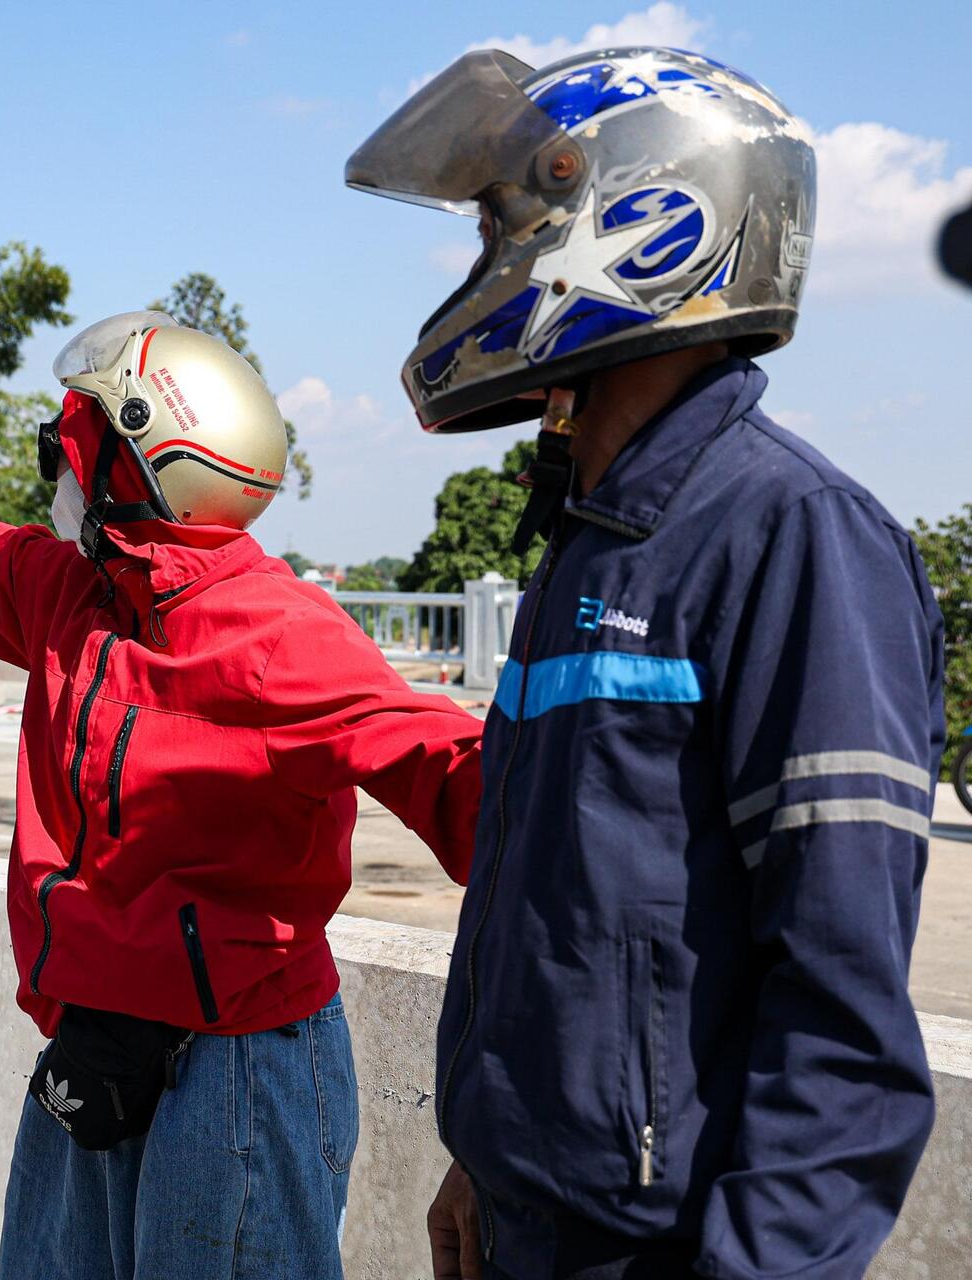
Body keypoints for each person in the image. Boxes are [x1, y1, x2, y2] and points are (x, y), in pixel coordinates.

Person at [345, 45, 946, 1279]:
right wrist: (494, 1158)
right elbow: (574, 913)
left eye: (506, 223)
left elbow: (843, 1024)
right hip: (534, 1231)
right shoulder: (596, 542)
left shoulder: (796, 538)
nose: (486, 263)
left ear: (640, 218)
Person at [0, 313, 485, 1279]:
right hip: (96, 1040)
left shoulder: (279, 635)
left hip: (239, 1067)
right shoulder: (72, 595)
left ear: (138, 466)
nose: (63, 474)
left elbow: (464, 783)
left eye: (76, 448)